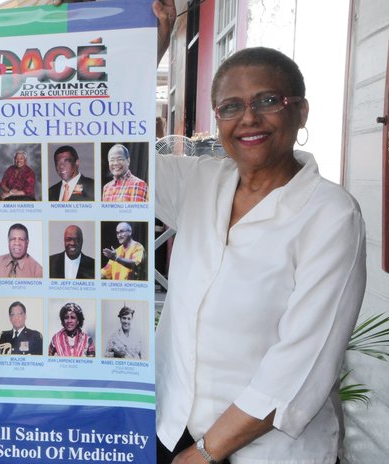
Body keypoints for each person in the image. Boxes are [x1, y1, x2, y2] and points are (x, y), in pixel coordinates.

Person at [155, 47, 367, 464]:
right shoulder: (198, 183)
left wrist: (204, 453)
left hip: (265, 454)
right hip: (173, 429)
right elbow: (104, 145)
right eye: (231, 106)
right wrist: (150, 47)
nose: (248, 118)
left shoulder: (330, 215)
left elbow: (299, 365)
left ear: (300, 111)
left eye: (268, 101)